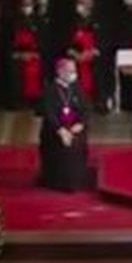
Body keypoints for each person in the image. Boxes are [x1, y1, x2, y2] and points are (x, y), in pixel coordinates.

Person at [39, 58, 92, 191]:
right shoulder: (50, 90)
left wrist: (81, 124)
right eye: (70, 71)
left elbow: (86, 109)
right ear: (60, 72)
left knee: (77, 143)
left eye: (74, 71)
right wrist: (61, 130)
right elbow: (48, 113)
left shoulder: (77, 88)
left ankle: (77, 180)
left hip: (74, 127)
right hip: (56, 129)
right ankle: (58, 182)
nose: (74, 74)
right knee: (60, 144)